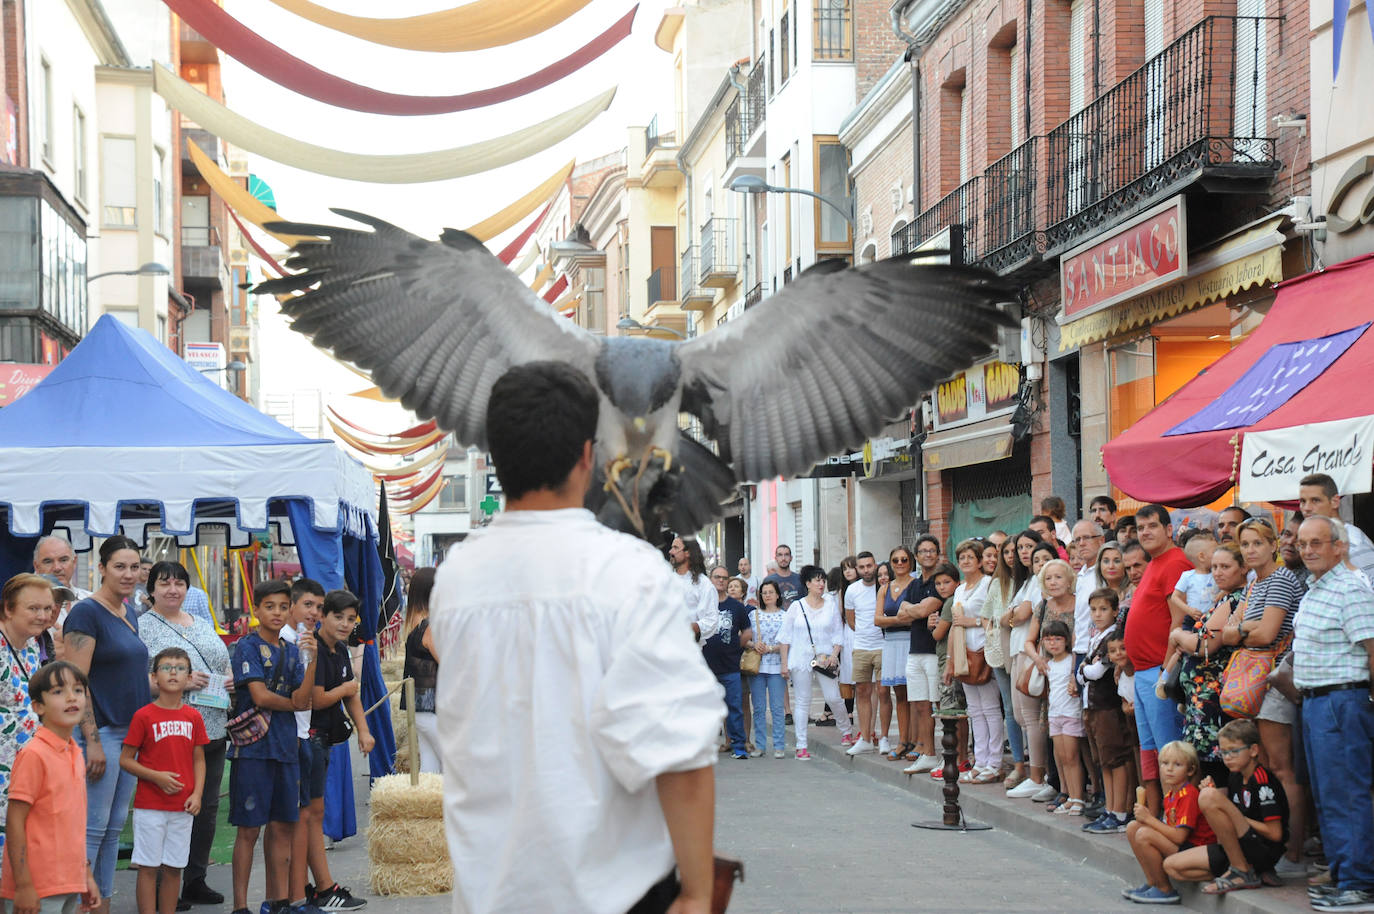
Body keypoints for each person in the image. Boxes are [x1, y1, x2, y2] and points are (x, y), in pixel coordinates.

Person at [428, 362, 722, 914]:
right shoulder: (627, 571)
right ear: (589, 456)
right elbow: (679, 750)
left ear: (497, 459)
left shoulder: (457, 579)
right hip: (612, 893)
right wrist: (700, 894)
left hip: (491, 891)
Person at [61, 535, 150, 911]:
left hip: (130, 735)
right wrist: (91, 740)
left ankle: (103, 905)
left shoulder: (127, 611)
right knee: (93, 830)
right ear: (100, 569)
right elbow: (75, 684)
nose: (128, 574)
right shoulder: (86, 613)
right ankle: (81, 904)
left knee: (114, 829)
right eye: (119, 566)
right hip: (104, 734)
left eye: (134, 567)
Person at [136, 562, 231, 908]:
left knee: (204, 807)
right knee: (169, 807)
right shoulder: (142, 627)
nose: (173, 589)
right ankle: (164, 888)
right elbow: (137, 681)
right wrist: (180, 681)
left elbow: (221, 661)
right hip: (168, 735)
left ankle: (195, 878)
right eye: (165, 583)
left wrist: (228, 678)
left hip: (212, 726)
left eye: (179, 583)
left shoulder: (202, 623)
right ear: (151, 590)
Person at [1293, 515, 1374, 911]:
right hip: (1316, 702)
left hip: (1343, 701)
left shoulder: (1349, 588)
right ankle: (1346, 874)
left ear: (1338, 547)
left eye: (1317, 543)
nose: (1308, 550)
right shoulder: (1316, 588)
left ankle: (1360, 883)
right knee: (1328, 795)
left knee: (1347, 793)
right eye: (1303, 543)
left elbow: (1373, 651)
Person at [228, 579, 316, 914]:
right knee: (248, 829)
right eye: (270, 607)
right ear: (256, 610)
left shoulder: (293, 651)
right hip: (253, 749)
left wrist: (314, 659)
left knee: (282, 826)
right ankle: (240, 906)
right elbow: (260, 696)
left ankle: (277, 900)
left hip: (285, 747)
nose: (277, 613)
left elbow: (304, 697)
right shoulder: (247, 647)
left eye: (283, 606)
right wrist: (294, 704)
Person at [1229, 517, 1305, 875]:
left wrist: (1242, 631)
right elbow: (1229, 629)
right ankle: (1276, 848)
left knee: (1280, 766)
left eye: (1257, 542)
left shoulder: (1281, 580)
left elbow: (1267, 634)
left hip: (1276, 677)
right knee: (1266, 766)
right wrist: (1245, 630)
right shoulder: (1254, 583)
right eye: (1245, 544)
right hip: (1257, 678)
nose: (1251, 549)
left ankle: (1292, 851)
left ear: (1273, 545)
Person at [0, 661, 100, 914]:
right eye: (58, 691)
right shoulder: (34, 754)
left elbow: (73, 826)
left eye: (78, 690)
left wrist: (85, 875)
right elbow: (15, 822)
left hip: (67, 880)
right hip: (36, 886)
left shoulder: (75, 752)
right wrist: (23, 885)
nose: (71, 698)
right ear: (38, 706)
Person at [300, 591, 375, 914]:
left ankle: (317, 887)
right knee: (310, 817)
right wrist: (345, 689)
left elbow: (352, 697)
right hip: (311, 738)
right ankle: (321, 888)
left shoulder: (340, 650)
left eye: (350, 619)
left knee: (313, 816)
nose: (345, 624)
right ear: (323, 616)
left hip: (327, 739)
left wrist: (365, 730)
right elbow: (316, 698)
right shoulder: (314, 648)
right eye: (338, 617)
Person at [120, 647, 209, 914]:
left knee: (174, 868)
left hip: (182, 807)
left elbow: (199, 760)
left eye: (180, 668)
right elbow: (126, 759)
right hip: (150, 807)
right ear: (154, 677)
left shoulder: (193, 716)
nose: (173, 672)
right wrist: (156, 777)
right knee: (148, 867)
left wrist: (198, 795)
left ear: (189, 677)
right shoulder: (143, 715)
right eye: (166, 667)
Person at [1162, 719, 1288, 896]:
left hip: (1263, 849)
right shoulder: (1235, 777)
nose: (1227, 757)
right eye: (1224, 752)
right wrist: (1219, 801)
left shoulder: (1262, 781)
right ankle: (1243, 871)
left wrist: (1231, 813)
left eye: (1234, 751)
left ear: (1253, 750)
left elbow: (1275, 834)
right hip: (1238, 846)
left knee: (1207, 797)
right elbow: (1230, 817)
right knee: (1171, 867)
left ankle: (1241, 871)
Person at [1123, 504, 1193, 818]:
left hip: (1159, 671)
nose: (1146, 532)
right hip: (1143, 672)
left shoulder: (1175, 562)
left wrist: (1166, 671)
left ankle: (1179, 822)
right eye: (1141, 528)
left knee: (1171, 754)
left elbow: (1178, 624)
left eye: (1152, 525)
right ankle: (1163, 817)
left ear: (1169, 529)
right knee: (1153, 756)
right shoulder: (1154, 563)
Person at [1165, 543, 1245, 782]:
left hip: (1212, 702)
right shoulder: (1224, 598)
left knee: (1212, 770)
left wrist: (1178, 634)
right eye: (1214, 567)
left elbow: (1204, 645)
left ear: (1242, 569)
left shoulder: (1234, 599)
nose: (1218, 572)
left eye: (1225, 566)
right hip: (1201, 700)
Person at [1122, 740, 1214, 904]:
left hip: (1196, 849)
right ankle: (1153, 882)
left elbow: (1179, 837)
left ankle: (1165, 889)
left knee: (1144, 834)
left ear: (1190, 770)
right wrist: (1146, 820)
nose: (1169, 769)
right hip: (1183, 846)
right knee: (1132, 827)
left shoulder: (1189, 794)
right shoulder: (1171, 794)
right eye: (1165, 763)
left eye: (1177, 764)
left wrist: (1149, 819)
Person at [0, 575, 52, 851]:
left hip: (25, 776)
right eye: (33, 608)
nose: (43, 616)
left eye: (47, 608)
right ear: (8, 608)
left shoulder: (32, 645)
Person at [779, 566, 851, 760]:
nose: (821, 584)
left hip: (826, 658)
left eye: (823, 580)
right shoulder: (796, 606)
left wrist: (835, 654)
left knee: (833, 697)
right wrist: (784, 664)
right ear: (807, 583)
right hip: (800, 657)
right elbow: (785, 637)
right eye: (817, 580)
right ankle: (801, 745)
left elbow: (838, 633)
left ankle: (846, 730)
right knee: (803, 701)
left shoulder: (830, 605)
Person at [1079, 589, 1133, 834]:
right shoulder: (1096, 637)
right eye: (1093, 610)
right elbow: (1084, 672)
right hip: (1094, 707)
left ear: (1114, 611)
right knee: (1105, 762)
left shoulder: (1112, 637)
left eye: (1103, 609)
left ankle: (1120, 812)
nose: (1098, 614)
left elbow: (1095, 672)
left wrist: (1083, 669)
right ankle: (1110, 809)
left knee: (1116, 759)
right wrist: (1084, 669)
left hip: (1108, 707)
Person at [947, 539, 1000, 783]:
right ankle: (980, 761)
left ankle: (995, 762)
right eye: (962, 558)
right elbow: (953, 625)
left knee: (990, 709)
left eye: (971, 557)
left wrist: (975, 622)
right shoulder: (959, 589)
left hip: (984, 650)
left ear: (980, 560)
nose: (966, 562)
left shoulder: (989, 584)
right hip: (963, 653)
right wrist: (950, 660)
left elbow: (996, 617)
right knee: (975, 711)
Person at [895, 537, 943, 773]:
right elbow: (900, 614)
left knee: (938, 705)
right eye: (923, 551)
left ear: (938, 554)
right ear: (917, 555)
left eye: (931, 550)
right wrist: (918, 611)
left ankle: (948, 753)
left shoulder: (941, 580)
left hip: (934, 651)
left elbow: (924, 609)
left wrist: (915, 610)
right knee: (920, 704)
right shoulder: (914, 584)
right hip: (915, 651)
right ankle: (927, 752)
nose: (927, 554)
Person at [986, 537, 1027, 785]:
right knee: (1010, 709)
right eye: (1008, 551)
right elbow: (987, 617)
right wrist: (992, 633)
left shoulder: (1029, 581)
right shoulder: (996, 584)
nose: (1012, 555)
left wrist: (1007, 619)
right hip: (1001, 651)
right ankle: (1019, 764)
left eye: (1016, 550)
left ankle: (1036, 764)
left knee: (1029, 710)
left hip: (1024, 648)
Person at [704, 568, 753, 760]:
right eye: (717, 577)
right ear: (711, 579)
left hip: (730, 666)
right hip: (705, 666)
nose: (721, 581)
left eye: (725, 578)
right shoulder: (703, 605)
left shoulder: (736, 606)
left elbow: (747, 632)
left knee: (734, 706)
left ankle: (738, 745)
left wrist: (735, 648)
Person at [873, 549, 915, 762]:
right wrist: (900, 619)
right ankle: (903, 741)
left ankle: (916, 741)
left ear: (910, 561)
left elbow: (916, 618)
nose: (900, 563)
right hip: (891, 643)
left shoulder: (915, 584)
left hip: (910, 641)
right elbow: (877, 620)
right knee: (899, 694)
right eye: (895, 560)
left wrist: (897, 620)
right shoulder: (885, 588)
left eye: (904, 559)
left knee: (915, 695)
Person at [928, 563, 969, 774]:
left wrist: (931, 624)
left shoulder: (950, 603)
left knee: (952, 712)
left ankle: (957, 759)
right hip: (952, 658)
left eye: (947, 582)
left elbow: (937, 634)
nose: (942, 587)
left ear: (957, 582)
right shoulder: (951, 600)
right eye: (938, 583)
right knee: (959, 712)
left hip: (949, 660)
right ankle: (961, 758)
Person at [1040, 620, 1085, 815]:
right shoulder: (1048, 663)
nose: (1053, 644)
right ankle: (1069, 796)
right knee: (1062, 758)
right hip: (1055, 714)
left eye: (1058, 639)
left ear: (1066, 641)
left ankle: (1078, 797)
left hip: (1071, 714)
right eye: (1048, 640)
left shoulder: (1071, 662)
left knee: (1072, 757)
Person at [844, 553, 886, 756]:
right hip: (861, 646)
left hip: (884, 645)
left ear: (875, 566)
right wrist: (863, 633)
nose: (866, 570)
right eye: (862, 567)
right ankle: (866, 737)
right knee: (861, 691)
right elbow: (851, 620)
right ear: (857, 569)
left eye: (869, 565)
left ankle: (884, 737)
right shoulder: (852, 590)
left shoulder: (884, 586)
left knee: (884, 691)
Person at [1299, 472, 1374, 581]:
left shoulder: (1355, 545)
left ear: (1335, 502)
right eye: (1303, 501)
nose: (1307, 508)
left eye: (1315, 500)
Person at [400, 568, 439, 774]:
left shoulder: (415, 621)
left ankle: (428, 805)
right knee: (453, 762)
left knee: (430, 765)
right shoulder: (428, 625)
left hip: (419, 705)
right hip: (431, 704)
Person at [748, 581, 788, 759]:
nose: (768, 595)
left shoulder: (785, 616)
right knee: (758, 707)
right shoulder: (753, 615)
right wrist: (754, 644)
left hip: (777, 666)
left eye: (771, 592)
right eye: (764, 593)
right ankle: (760, 745)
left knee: (778, 707)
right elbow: (745, 638)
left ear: (778, 595)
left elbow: (788, 642)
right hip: (756, 666)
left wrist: (772, 648)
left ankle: (779, 746)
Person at [668, 538, 718, 641]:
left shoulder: (703, 584)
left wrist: (689, 627)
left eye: (675, 548)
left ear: (688, 553)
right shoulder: (666, 579)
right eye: (671, 547)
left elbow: (711, 620)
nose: (671, 551)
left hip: (689, 648)